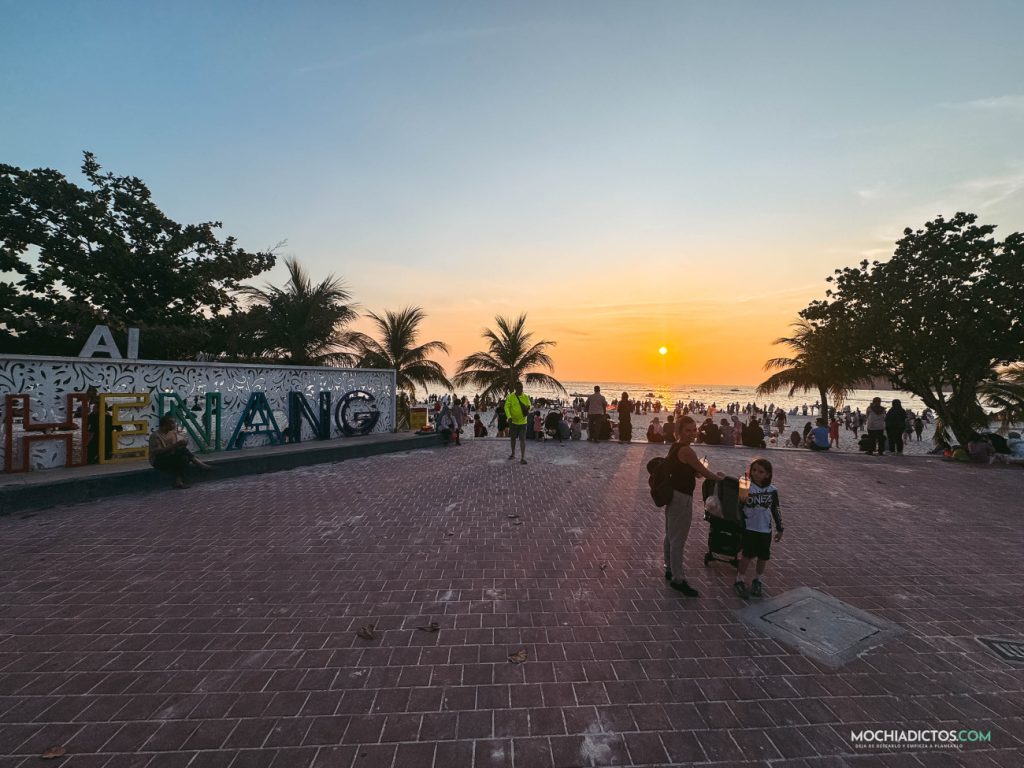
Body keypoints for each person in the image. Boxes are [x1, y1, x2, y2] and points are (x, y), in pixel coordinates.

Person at [663, 416, 725, 597]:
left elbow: (696, 473)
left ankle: (669, 568)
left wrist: (699, 471)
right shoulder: (687, 450)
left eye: (693, 430)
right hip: (682, 498)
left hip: (673, 495)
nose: (691, 434)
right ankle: (678, 579)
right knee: (678, 539)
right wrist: (719, 477)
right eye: (687, 430)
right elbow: (704, 473)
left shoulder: (675, 447)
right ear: (680, 431)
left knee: (670, 535)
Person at [733, 458, 784, 598]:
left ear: (767, 474)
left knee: (763, 556)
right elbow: (738, 506)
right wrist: (741, 499)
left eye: (760, 472)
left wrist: (780, 528)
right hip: (749, 527)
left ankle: (758, 579)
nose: (756, 473)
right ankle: (740, 579)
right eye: (754, 470)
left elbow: (776, 509)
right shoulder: (746, 486)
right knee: (746, 555)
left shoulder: (772, 490)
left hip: (765, 529)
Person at [148, 415, 210, 488]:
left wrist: (182, 444)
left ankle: (179, 481)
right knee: (182, 453)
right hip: (158, 460)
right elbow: (157, 452)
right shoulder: (155, 436)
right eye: (172, 423)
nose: (174, 425)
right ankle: (198, 463)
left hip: (170, 456)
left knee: (184, 457)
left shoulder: (172, 433)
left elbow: (175, 447)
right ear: (165, 425)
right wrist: (176, 445)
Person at [504, 381, 531, 464]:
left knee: (522, 439)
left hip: (523, 422)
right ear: (515, 389)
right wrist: (509, 417)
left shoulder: (525, 397)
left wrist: (528, 409)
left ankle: (522, 458)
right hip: (513, 422)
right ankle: (513, 453)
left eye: (521, 388)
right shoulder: (511, 397)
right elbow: (506, 407)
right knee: (513, 439)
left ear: (522, 388)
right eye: (518, 388)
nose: (520, 390)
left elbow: (529, 405)